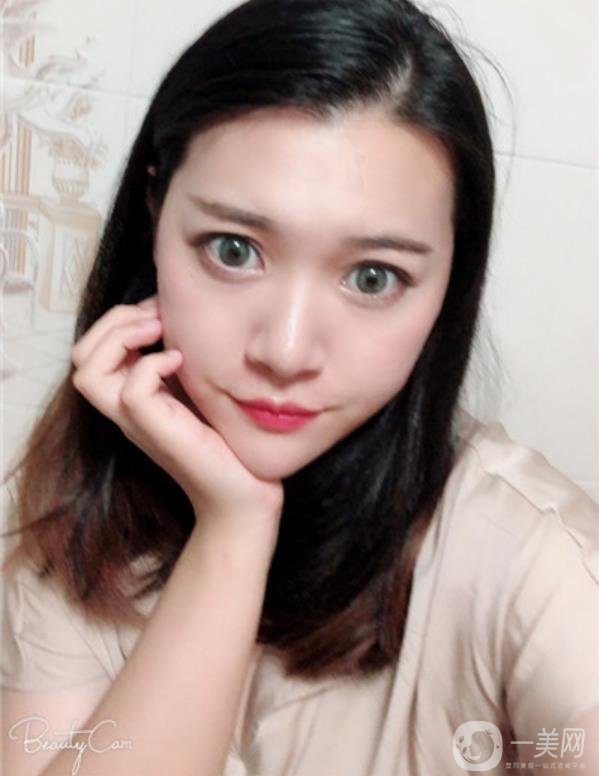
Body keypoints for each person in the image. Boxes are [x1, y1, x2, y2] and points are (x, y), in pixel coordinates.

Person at [1, 0, 597, 774]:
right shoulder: (85, 501)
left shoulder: (541, 571)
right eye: (232, 249)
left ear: (452, 279)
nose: (285, 352)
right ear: (155, 213)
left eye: (372, 277)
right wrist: (233, 527)